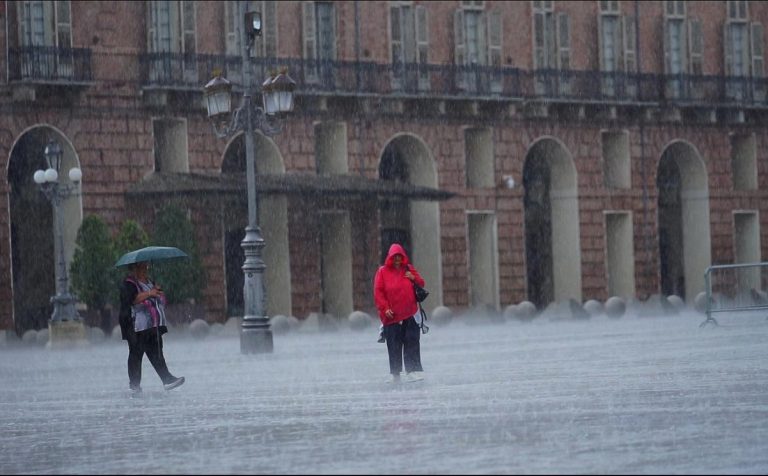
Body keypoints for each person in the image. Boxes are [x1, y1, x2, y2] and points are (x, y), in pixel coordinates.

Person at [119, 261, 185, 395]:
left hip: (152, 325)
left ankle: (167, 379)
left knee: (156, 353)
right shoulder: (129, 283)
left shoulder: (150, 282)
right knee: (136, 354)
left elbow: (158, 297)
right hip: (136, 326)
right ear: (135, 268)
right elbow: (132, 299)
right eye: (142, 266)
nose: (145, 269)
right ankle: (135, 385)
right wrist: (150, 293)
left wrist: (158, 293)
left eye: (146, 266)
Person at [374, 243, 425, 383]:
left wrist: (413, 278)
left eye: (399, 257)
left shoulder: (408, 269)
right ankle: (395, 373)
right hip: (392, 316)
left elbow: (421, 283)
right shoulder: (382, 272)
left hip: (411, 314)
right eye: (394, 257)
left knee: (412, 341)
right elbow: (379, 293)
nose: (397, 260)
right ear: (390, 257)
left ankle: (413, 370)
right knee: (394, 344)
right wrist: (385, 308)